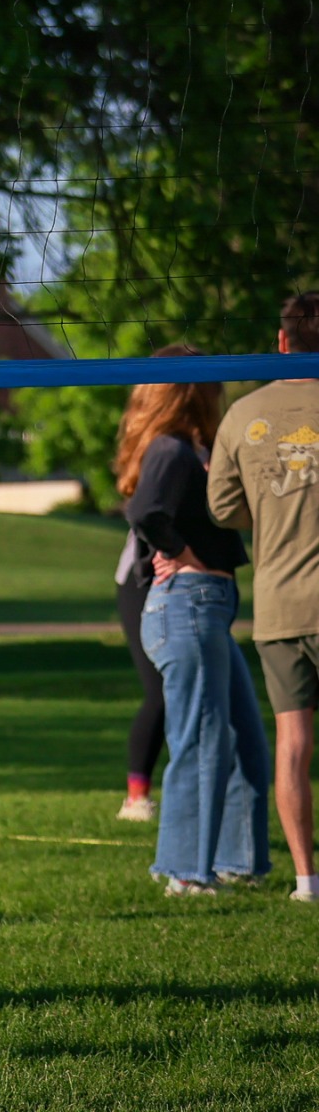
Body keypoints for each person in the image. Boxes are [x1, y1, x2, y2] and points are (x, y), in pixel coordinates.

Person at [116, 348, 272, 895]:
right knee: (202, 739)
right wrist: (184, 552)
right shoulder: (171, 449)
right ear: (193, 390)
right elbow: (144, 513)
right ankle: (184, 871)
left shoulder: (194, 449)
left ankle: (239, 860)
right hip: (186, 603)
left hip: (207, 606)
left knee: (245, 740)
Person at [208, 291, 319, 904]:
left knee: (293, 744)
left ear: (281, 342)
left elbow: (222, 508)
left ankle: (307, 881)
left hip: (278, 607)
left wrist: (277, 507)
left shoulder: (241, 413)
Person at [113, 528, 165, 822]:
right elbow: (146, 512)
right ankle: (136, 798)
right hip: (142, 580)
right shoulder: (163, 480)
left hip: (183, 582)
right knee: (159, 692)